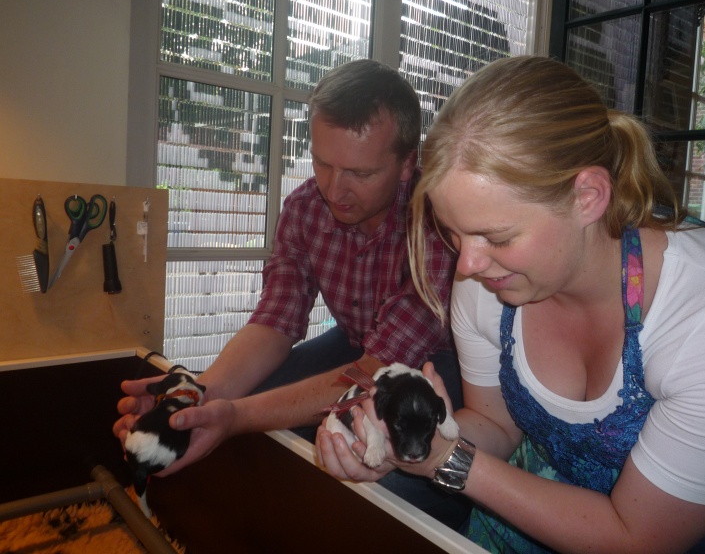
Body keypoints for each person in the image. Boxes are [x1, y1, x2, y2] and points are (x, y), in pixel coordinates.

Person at [316, 56, 705, 552]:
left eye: (496, 236)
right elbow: (498, 426)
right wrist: (407, 438)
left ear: (587, 196)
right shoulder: (489, 282)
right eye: (454, 233)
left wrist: (448, 460)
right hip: (523, 513)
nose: (467, 265)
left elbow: (637, 540)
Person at [114, 59, 470, 528]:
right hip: (358, 344)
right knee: (251, 405)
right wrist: (191, 400)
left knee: (378, 477)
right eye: (323, 163)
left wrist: (234, 416)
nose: (335, 189)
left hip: (437, 363)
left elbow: (378, 367)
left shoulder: (439, 218)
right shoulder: (304, 208)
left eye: (360, 173)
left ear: (407, 164)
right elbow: (275, 322)